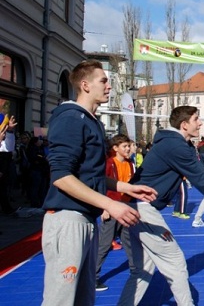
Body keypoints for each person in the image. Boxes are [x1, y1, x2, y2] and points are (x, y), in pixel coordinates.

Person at [41, 60, 157, 306]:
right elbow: (61, 177)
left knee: (84, 299)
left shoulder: (90, 120)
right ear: (85, 85)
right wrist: (111, 204)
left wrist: (127, 188)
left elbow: (89, 176)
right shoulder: (71, 118)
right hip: (67, 219)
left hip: (84, 219)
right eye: (103, 81)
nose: (109, 86)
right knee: (60, 301)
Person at [117, 105, 204, 305]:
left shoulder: (172, 143)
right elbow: (202, 179)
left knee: (143, 270)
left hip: (135, 207)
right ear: (184, 125)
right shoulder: (175, 146)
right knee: (175, 262)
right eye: (196, 119)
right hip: (143, 210)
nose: (200, 123)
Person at [95, 134, 137, 291]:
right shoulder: (109, 163)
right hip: (112, 208)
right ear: (115, 148)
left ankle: (136, 270)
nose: (128, 149)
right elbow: (102, 185)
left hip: (126, 207)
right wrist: (104, 207)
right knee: (104, 244)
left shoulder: (130, 163)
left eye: (128, 146)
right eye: (124, 146)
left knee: (130, 242)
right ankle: (93, 278)